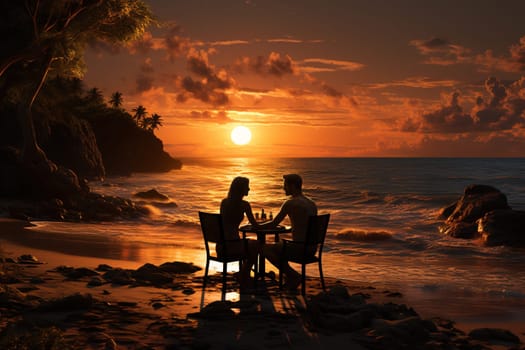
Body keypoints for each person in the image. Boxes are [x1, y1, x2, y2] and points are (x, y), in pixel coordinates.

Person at [260, 174, 317, 290]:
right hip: (312, 248)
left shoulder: (290, 203)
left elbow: (273, 224)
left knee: (264, 248)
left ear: (292, 186)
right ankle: (289, 277)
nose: (283, 188)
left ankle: (293, 275)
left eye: (285, 185)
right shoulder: (311, 203)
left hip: (300, 249)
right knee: (280, 245)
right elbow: (303, 225)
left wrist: (256, 226)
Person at [219, 176, 261, 288]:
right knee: (256, 245)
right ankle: (245, 274)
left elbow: (227, 222)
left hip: (221, 246)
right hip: (233, 246)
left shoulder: (224, 203)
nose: (249, 189)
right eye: (247, 187)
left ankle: (243, 274)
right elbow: (255, 226)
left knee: (250, 245)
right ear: (240, 189)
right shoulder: (244, 205)